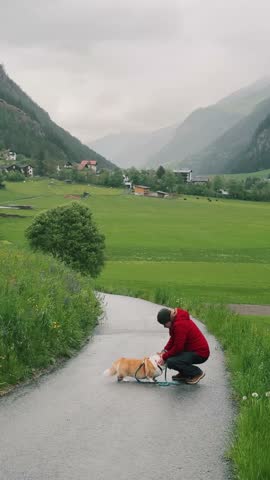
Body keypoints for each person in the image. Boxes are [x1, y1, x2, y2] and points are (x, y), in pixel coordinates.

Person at [157, 307, 210, 384]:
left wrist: (164, 357)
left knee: (171, 361)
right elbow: (173, 338)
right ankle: (185, 374)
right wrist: (165, 350)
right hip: (192, 351)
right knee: (171, 357)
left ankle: (197, 373)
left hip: (201, 353)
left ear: (169, 319)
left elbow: (178, 348)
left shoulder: (180, 324)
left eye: (164, 324)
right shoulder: (175, 321)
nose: (164, 326)